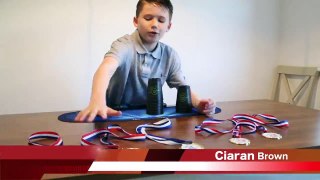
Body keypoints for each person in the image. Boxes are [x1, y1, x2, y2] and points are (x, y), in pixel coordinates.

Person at [75, 0, 214, 121]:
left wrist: (198, 103)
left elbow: (183, 87)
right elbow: (105, 69)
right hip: (117, 115)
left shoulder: (170, 54)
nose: (154, 24)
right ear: (136, 21)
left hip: (153, 116)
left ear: (168, 26)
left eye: (161, 20)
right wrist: (97, 100)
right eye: (148, 18)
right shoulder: (123, 45)